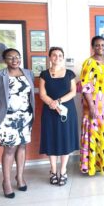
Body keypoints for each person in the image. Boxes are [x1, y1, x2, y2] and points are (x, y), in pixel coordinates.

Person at [0, 48, 35, 198]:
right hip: (7, 119)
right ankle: (6, 182)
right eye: (10, 58)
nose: (15, 60)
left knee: (22, 146)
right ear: (4, 60)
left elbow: (30, 95)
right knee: (9, 149)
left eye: (17, 57)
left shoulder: (28, 73)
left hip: (25, 116)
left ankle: (19, 177)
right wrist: (2, 110)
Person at [39, 47, 79, 186]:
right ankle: (53, 170)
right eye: (54, 55)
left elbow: (73, 92)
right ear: (50, 57)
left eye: (60, 55)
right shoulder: (44, 74)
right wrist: (52, 103)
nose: (57, 57)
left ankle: (62, 171)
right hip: (49, 111)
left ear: (63, 57)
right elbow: (42, 93)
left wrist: (58, 102)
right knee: (51, 139)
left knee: (65, 139)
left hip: (66, 111)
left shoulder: (70, 74)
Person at [79, 36, 104, 176]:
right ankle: (92, 165)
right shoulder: (88, 63)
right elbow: (85, 86)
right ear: (92, 46)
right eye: (97, 45)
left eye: (102, 45)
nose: (100, 47)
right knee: (93, 132)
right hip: (93, 104)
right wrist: (92, 106)